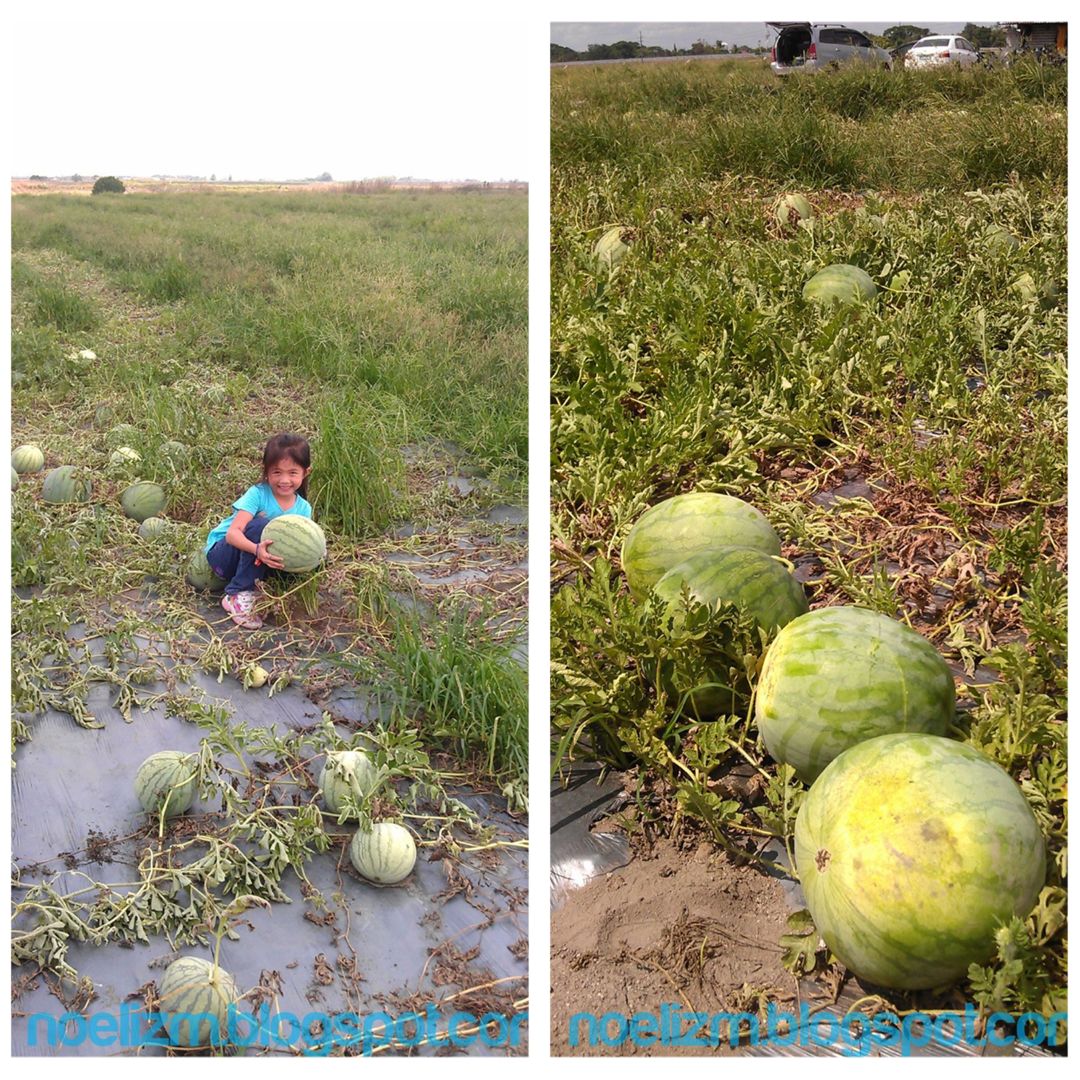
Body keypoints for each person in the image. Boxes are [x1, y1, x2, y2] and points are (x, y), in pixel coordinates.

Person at [205, 433, 314, 629]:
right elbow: (232, 534)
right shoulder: (258, 494)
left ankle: (255, 587)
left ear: (305, 472)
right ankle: (236, 594)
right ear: (266, 471)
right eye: (277, 472)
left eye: (292, 473)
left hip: (258, 561)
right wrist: (257, 550)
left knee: (314, 554)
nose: (284, 480)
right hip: (224, 557)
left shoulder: (303, 508)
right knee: (261, 526)